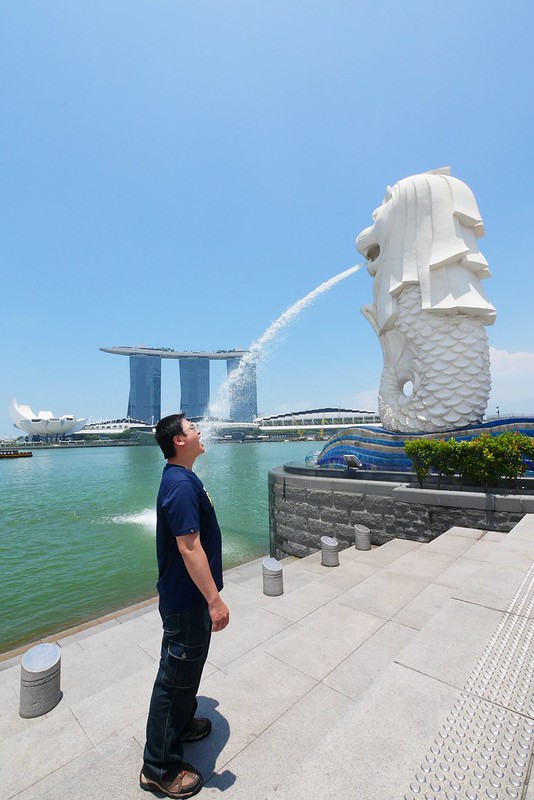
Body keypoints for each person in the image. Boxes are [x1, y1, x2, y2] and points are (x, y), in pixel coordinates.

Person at [140, 414, 230, 799]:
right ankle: (158, 767)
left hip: (188, 598)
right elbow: (188, 547)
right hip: (188, 600)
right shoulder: (178, 484)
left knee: (186, 671)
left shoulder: (184, 478)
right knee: (173, 678)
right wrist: (214, 599)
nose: (199, 431)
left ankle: (180, 724)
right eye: (193, 428)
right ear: (179, 441)